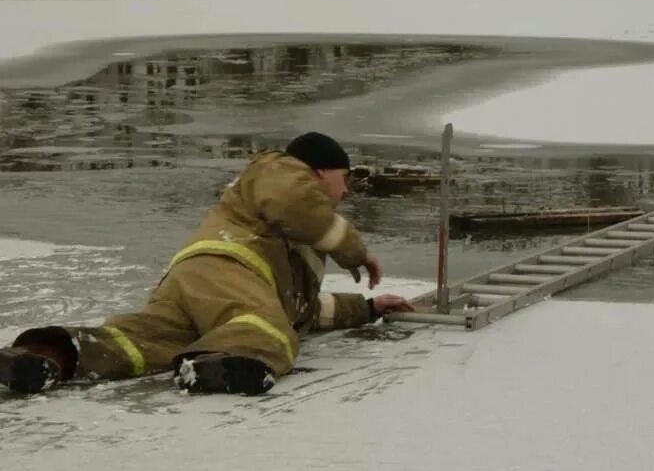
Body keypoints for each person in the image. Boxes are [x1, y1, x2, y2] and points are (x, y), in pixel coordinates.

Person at [0, 132, 415, 397]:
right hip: (232, 269)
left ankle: (46, 356)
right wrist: (355, 251)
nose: (346, 193)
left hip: (190, 283)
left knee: (140, 342)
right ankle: (215, 366)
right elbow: (296, 205)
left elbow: (302, 310)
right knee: (266, 332)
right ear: (322, 172)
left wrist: (367, 309)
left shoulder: (294, 238)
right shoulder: (278, 169)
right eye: (346, 180)